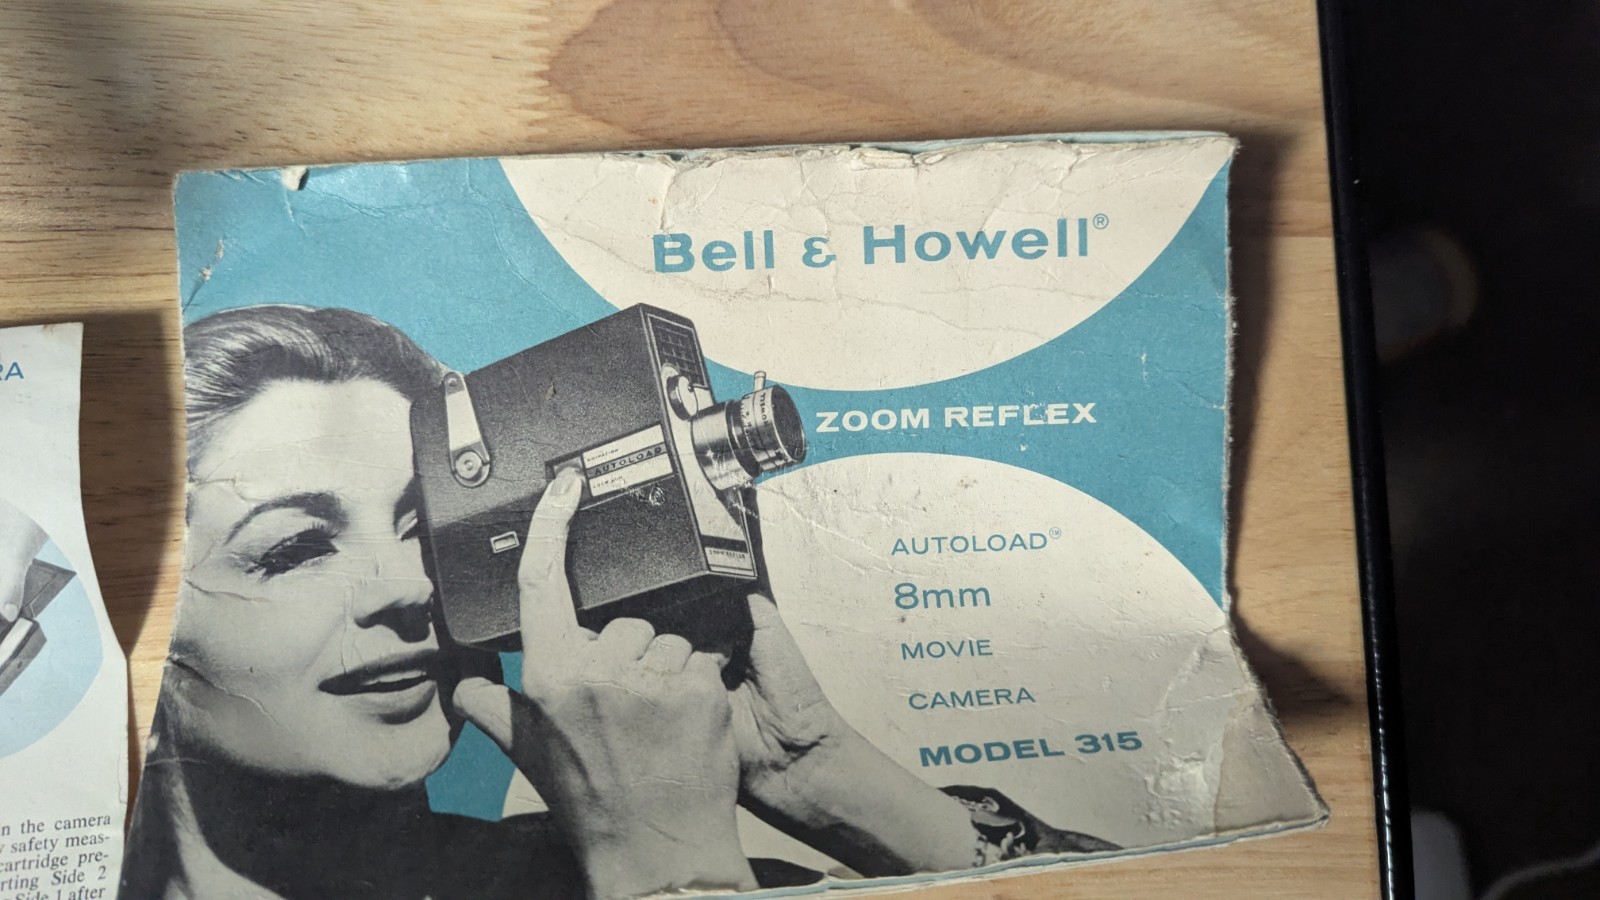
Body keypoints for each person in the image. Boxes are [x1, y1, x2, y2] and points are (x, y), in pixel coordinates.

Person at [123, 305, 1113, 900]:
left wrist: (822, 778)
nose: (410, 587)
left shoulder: (625, 861)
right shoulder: (652, 858)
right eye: (293, 548)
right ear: (147, 629)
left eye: (430, 529)